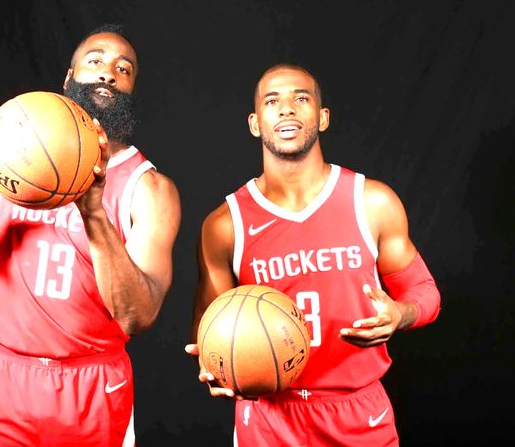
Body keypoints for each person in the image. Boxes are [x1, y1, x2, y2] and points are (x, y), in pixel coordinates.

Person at [0, 23, 181, 446]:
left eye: (124, 69)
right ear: (68, 77)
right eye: (95, 61)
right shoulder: (1, 155)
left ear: (131, 90)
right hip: (4, 379)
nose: (108, 72)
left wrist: (93, 213)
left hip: (91, 385)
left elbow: (137, 316)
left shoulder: (149, 188)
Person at [186, 63, 440, 446]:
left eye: (301, 98)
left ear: (322, 118)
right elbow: (208, 329)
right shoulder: (225, 224)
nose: (286, 108)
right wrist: (216, 366)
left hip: (357, 413)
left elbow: (424, 292)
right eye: (272, 101)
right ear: (255, 123)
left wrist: (400, 315)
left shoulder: (371, 202)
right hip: (269, 420)